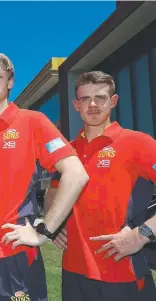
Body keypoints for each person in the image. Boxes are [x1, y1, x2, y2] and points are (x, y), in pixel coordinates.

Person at [0, 53, 89, 300]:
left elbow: (76, 173)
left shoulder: (32, 122)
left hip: (15, 253)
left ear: (10, 82)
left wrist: (45, 230)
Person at [46, 71, 156, 301]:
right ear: (76, 105)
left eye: (100, 97)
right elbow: (53, 189)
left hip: (121, 271)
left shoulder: (138, 143)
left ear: (113, 101)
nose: (93, 104)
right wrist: (52, 224)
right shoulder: (68, 150)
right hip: (74, 272)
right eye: (85, 99)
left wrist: (143, 233)